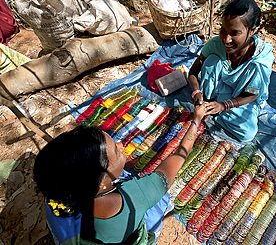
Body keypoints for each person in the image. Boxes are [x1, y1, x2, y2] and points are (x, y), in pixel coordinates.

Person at [33, 103, 206, 245]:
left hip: (68, 236)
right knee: (159, 207)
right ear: (100, 183)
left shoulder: (58, 182)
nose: (122, 146)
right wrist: (196, 121)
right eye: (117, 151)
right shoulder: (133, 197)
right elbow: (179, 156)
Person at [188, 0, 275, 142]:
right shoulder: (215, 45)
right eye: (223, 30)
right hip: (219, 90)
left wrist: (223, 106)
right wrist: (197, 92)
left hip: (242, 97)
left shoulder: (260, 58)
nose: (227, 39)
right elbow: (193, 71)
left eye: (235, 33)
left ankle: (216, 109)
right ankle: (209, 103)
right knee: (212, 61)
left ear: (251, 31)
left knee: (247, 132)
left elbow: (252, 93)